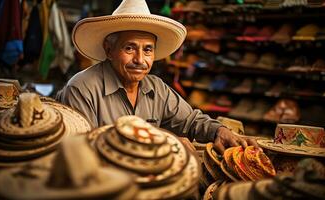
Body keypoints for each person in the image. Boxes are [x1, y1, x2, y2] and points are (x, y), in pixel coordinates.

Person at [57, 0, 258, 154]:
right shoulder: (82, 88)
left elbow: (190, 120)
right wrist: (161, 142)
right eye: (129, 48)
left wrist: (218, 131)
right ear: (109, 50)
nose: (140, 59)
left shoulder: (155, 87)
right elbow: (82, 151)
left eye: (148, 50)